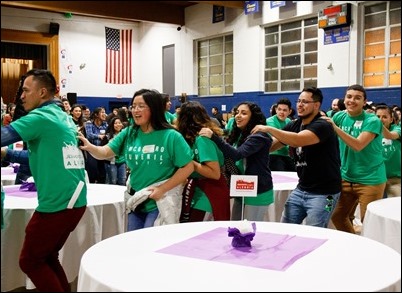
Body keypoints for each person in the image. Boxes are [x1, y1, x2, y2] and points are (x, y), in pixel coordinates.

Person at [1, 69, 87, 292]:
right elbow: (39, 158)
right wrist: (7, 155)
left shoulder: (40, 117)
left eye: (26, 90)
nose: (21, 95)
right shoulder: (61, 117)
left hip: (58, 202)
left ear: (41, 92)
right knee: (47, 256)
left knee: (29, 260)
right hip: (73, 200)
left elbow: (4, 136)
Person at [78, 89, 194, 231]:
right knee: (134, 243)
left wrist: (162, 189)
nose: (135, 110)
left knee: (150, 243)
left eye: (141, 106)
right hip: (136, 201)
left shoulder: (171, 136)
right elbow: (105, 152)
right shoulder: (130, 133)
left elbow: (188, 167)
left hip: (159, 201)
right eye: (133, 106)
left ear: (154, 108)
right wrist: (90, 147)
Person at [252, 87, 341, 228]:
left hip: (326, 193)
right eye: (299, 101)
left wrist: (269, 129)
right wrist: (250, 150)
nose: (300, 105)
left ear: (316, 105)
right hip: (301, 189)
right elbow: (274, 145)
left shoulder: (323, 125)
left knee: (315, 232)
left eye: (305, 102)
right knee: (286, 228)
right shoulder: (294, 124)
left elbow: (298, 140)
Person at [321, 84, 386, 234]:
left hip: (371, 179)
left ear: (364, 102)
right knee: (337, 216)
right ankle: (354, 242)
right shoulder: (339, 116)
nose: (352, 100)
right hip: (345, 177)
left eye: (357, 98)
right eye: (349, 97)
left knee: (368, 222)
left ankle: (372, 252)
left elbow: (358, 145)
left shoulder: (372, 120)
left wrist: (335, 128)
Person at [199, 102, 274, 222]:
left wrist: (214, 137)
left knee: (249, 230)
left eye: (244, 113)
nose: (238, 116)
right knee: (236, 226)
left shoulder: (260, 136)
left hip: (258, 191)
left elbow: (237, 155)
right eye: (237, 112)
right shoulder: (240, 133)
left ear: (253, 117)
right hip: (241, 187)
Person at [176, 101, 230, 222]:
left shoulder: (202, 139)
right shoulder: (191, 138)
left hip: (209, 192)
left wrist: (189, 163)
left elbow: (214, 173)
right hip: (198, 190)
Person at [375, 105, 401, 198]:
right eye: (377, 117)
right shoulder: (369, 132)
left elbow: (390, 135)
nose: (380, 119)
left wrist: (377, 123)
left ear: (391, 119)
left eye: (384, 117)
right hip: (376, 178)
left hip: (395, 179)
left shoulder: (398, 129)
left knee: (396, 208)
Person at [265, 98, 295, 171]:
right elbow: (279, 137)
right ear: (276, 110)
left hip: (286, 155)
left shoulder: (289, 121)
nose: (281, 112)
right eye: (279, 109)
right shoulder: (269, 121)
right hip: (273, 154)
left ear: (289, 111)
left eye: (284, 110)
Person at [84, 106, 108, 183]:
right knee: (92, 172)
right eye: (102, 112)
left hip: (102, 150)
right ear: (96, 115)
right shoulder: (89, 123)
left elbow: (108, 135)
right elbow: (89, 135)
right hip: (91, 151)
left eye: (105, 112)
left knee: (102, 173)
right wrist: (99, 136)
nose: (105, 114)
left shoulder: (105, 124)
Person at [101, 116, 127, 186]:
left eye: (119, 123)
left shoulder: (125, 136)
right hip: (111, 162)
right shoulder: (107, 136)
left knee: (122, 181)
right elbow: (102, 149)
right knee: (112, 182)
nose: (118, 125)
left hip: (122, 161)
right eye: (115, 123)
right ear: (112, 125)